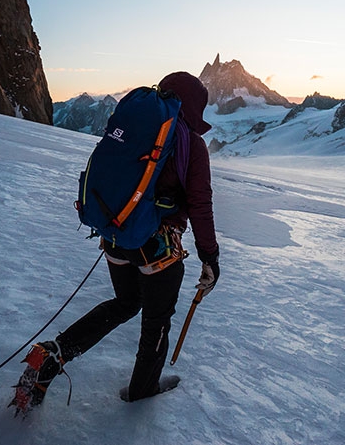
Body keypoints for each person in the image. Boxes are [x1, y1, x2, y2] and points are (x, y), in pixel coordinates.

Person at [15, 71, 220, 409]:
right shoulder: (191, 144)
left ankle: (52, 356)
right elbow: (200, 203)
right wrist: (210, 257)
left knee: (126, 302)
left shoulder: (140, 125)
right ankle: (142, 394)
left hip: (115, 233)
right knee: (156, 322)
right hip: (158, 248)